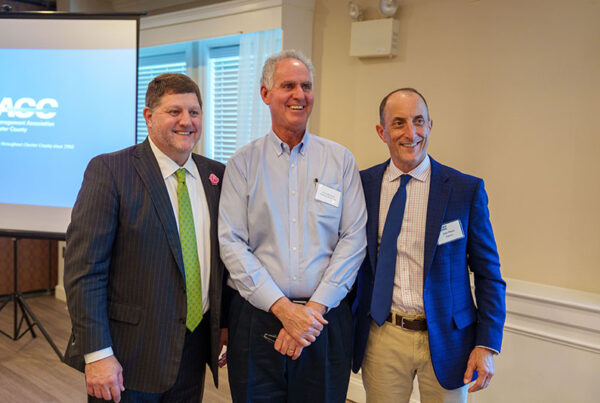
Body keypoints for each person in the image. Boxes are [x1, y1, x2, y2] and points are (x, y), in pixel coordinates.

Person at [64, 73, 227, 402]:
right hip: (128, 356)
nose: (187, 121)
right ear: (149, 116)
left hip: (193, 350)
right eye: (174, 111)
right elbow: (85, 271)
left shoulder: (216, 175)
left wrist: (223, 325)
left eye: (194, 112)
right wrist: (97, 354)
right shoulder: (111, 171)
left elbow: (224, 261)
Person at [218, 49, 367, 403]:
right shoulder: (242, 164)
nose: (300, 95)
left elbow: (354, 239)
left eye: (306, 86)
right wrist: (284, 310)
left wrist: (311, 312)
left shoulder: (340, 161)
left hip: (324, 321)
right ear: (265, 93)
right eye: (288, 86)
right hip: (257, 318)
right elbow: (232, 243)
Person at [352, 88, 506, 402]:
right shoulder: (361, 186)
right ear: (382, 132)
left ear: (430, 126)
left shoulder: (464, 190)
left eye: (419, 121)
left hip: (449, 339)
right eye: (398, 123)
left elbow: (488, 274)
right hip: (383, 335)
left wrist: (486, 344)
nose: (411, 133)